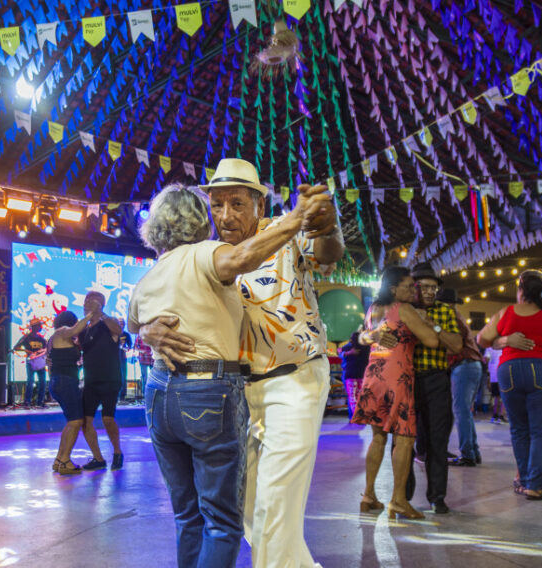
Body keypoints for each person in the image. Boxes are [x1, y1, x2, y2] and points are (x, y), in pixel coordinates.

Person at [137, 158, 343, 568]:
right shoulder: (205, 254)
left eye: (236, 203)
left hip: (294, 380)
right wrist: (147, 330)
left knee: (275, 508)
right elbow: (151, 302)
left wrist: (327, 225)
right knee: (245, 506)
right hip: (234, 394)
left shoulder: (285, 231)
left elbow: (327, 251)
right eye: (216, 205)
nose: (225, 215)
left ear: (260, 206)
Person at [352, 267, 443, 520]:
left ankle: (369, 495)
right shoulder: (404, 309)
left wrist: (369, 336)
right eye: (407, 285)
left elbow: (361, 337)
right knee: (405, 438)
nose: (412, 289)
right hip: (397, 375)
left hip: (374, 376)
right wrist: (431, 326)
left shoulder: (373, 309)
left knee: (378, 437)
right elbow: (432, 341)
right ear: (394, 289)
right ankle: (399, 501)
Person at [477, 270, 542, 500]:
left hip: (508, 370)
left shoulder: (506, 312)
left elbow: (481, 339)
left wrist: (503, 340)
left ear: (520, 290)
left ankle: (522, 481)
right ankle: (535, 485)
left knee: (519, 429)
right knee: (541, 430)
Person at [407, 263, 462, 514]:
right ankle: (403, 494)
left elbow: (456, 346)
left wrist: (432, 324)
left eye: (433, 287)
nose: (430, 292)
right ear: (413, 286)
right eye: (424, 287)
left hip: (437, 380)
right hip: (406, 381)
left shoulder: (444, 312)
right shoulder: (404, 310)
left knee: (438, 441)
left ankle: (437, 496)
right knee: (404, 440)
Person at [78, 291, 126, 471]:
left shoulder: (108, 324)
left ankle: (117, 452)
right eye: (85, 302)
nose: (86, 305)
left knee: (107, 419)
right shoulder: (85, 327)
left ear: (100, 305)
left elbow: (118, 330)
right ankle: (98, 458)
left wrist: (101, 314)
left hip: (110, 379)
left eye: (91, 302)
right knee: (86, 420)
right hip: (91, 380)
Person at [440, 288, 485, 467]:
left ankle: (468, 455)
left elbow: (455, 348)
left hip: (464, 365)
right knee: (465, 411)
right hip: (472, 366)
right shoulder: (458, 317)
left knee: (461, 411)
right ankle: (473, 452)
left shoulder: (452, 319)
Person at [47, 310, 95, 474]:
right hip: (65, 381)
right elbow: (74, 330)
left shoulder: (57, 338)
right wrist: (90, 315)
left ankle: (60, 459)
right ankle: (65, 460)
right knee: (75, 422)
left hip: (59, 381)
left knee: (71, 422)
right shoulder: (62, 332)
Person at [13, 320, 48, 408]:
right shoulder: (26, 337)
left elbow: (46, 349)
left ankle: (40, 401)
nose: (40, 327)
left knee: (43, 382)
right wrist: (26, 351)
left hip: (40, 362)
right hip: (31, 362)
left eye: (40, 326)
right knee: (30, 381)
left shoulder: (41, 339)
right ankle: (27, 402)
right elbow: (16, 347)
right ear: (33, 327)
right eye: (39, 326)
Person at [339, 331, 370, 419]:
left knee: (352, 397)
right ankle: (361, 415)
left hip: (350, 374)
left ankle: (355, 416)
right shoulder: (367, 347)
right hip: (362, 374)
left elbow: (340, 354)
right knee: (360, 396)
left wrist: (346, 353)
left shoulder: (348, 347)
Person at [485, 346, 507, 423]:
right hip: (503, 373)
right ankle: (501, 416)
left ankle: (494, 416)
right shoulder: (504, 347)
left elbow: (486, 359)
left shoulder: (489, 347)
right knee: (504, 396)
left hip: (493, 375)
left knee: (496, 397)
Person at [134, 333, 154, 399]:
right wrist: (143, 351)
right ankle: (145, 395)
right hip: (143, 359)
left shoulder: (154, 335)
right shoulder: (140, 335)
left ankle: (153, 394)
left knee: (154, 377)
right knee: (144, 377)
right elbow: (135, 347)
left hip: (153, 359)